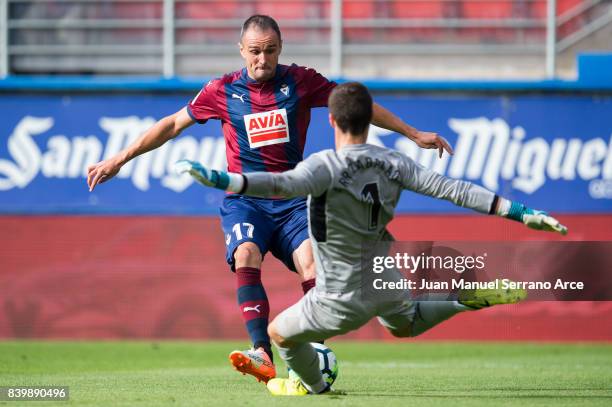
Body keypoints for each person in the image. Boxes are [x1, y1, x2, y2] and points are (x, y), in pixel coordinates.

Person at [86, 14, 452, 383]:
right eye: (255, 52)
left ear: (281, 49)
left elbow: (355, 104)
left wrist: (412, 132)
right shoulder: (221, 90)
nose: (263, 60)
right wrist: (119, 158)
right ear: (241, 50)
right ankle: (261, 352)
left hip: (292, 197)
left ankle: (317, 351)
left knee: (312, 263)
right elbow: (171, 124)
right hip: (246, 200)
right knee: (246, 253)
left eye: (271, 51)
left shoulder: (301, 81)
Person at [175, 81, 568, 395]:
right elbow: (457, 191)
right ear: (369, 120)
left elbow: (277, 183)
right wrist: (523, 213)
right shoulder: (396, 162)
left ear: (331, 121)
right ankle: (462, 299)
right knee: (406, 325)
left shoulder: (323, 166)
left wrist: (223, 179)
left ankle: (308, 384)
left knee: (279, 334)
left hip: (339, 297)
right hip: (384, 277)